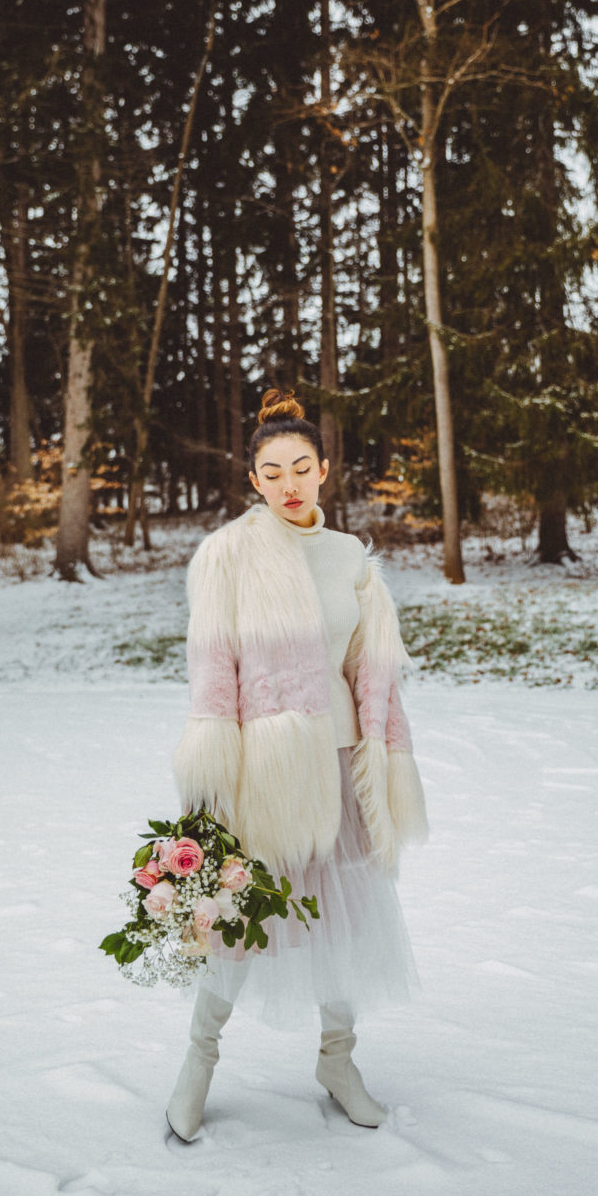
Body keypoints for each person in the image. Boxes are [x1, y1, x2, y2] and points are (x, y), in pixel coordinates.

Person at [166, 388, 428, 1141]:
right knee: (241, 925)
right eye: (272, 470)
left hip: (343, 767)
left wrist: (386, 762)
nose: (288, 484)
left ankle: (337, 1060)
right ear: (254, 479)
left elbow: (371, 670)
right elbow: (214, 680)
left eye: (302, 468)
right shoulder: (227, 557)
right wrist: (210, 786)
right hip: (265, 778)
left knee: (346, 923)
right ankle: (198, 1062)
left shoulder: (350, 558)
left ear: (324, 470)